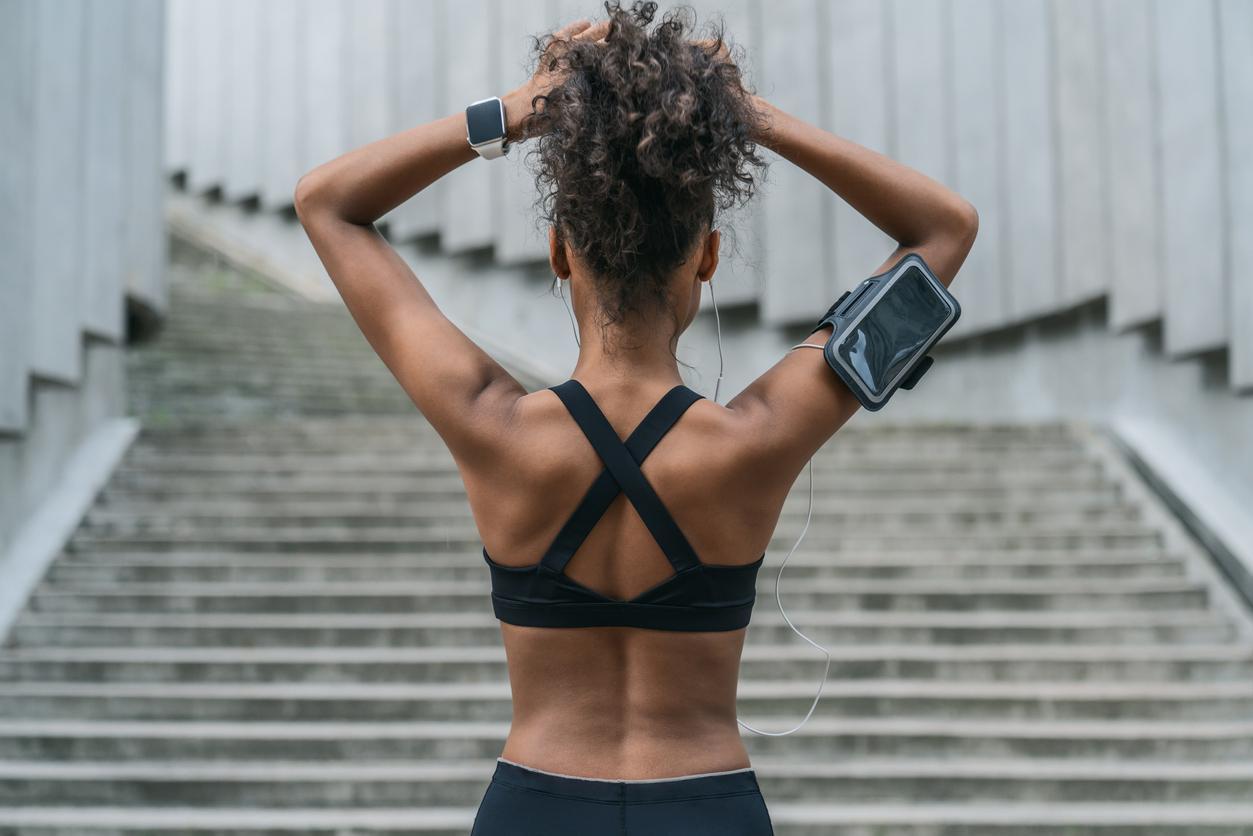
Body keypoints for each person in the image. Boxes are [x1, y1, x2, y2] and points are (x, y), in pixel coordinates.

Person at [294, 2, 977, 832]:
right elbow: (944, 228)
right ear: (708, 256)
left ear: (556, 250)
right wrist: (749, 118)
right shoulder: (756, 440)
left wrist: (517, 110)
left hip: (534, 808)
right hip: (706, 807)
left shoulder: (490, 425)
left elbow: (326, 201)